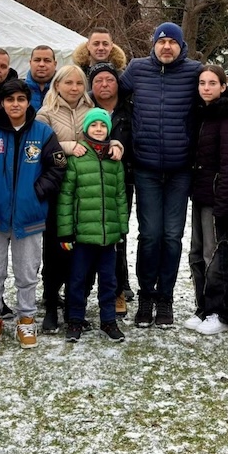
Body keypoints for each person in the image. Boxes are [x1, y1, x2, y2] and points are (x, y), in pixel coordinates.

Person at [119, 22, 203, 328]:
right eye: (161, 41)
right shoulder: (137, 69)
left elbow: (217, 94)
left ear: (182, 46)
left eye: (172, 42)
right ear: (153, 45)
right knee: (150, 235)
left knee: (172, 236)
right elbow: (108, 95)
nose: (166, 46)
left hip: (181, 170)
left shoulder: (195, 72)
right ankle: (146, 296)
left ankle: (165, 298)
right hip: (146, 168)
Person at [0, 79, 67, 350]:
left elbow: (57, 167)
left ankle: (26, 319)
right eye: (10, 99)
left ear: (28, 103)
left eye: (20, 99)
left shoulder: (43, 133)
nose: (15, 104)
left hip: (30, 216)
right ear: (2, 103)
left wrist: (37, 192)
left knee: (27, 272)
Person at [184, 65, 228, 335]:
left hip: (217, 198)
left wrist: (224, 201)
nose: (206, 87)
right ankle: (203, 307)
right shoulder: (202, 114)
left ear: (223, 86)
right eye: (202, 83)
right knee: (197, 253)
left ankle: (220, 312)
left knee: (215, 254)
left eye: (212, 83)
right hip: (200, 195)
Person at [57, 108, 129, 343]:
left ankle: (108, 320)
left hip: (108, 236)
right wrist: (66, 231)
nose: (98, 129)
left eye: (103, 125)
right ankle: (75, 320)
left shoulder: (114, 160)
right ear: (86, 128)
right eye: (94, 125)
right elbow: (66, 196)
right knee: (77, 279)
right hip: (82, 236)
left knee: (108, 281)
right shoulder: (76, 159)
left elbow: (120, 197)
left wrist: (121, 229)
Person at [36, 64, 97, 332]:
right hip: (56, 189)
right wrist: (67, 147)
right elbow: (36, 146)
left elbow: (101, 137)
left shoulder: (92, 111)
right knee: (55, 248)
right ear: (57, 85)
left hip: (85, 189)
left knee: (82, 249)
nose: (74, 88)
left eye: (79, 83)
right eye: (68, 83)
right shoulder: (45, 114)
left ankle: (77, 303)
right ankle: (50, 301)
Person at [88, 61, 136, 314]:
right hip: (88, 181)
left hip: (121, 181)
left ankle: (117, 291)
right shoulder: (85, 109)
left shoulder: (130, 109)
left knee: (117, 236)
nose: (104, 85)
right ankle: (83, 290)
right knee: (87, 237)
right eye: (98, 81)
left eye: (109, 80)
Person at [25, 45, 58, 112]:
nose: (41, 64)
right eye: (37, 60)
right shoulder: (19, 89)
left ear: (55, 64)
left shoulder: (64, 90)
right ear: (30, 63)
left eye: (47, 60)